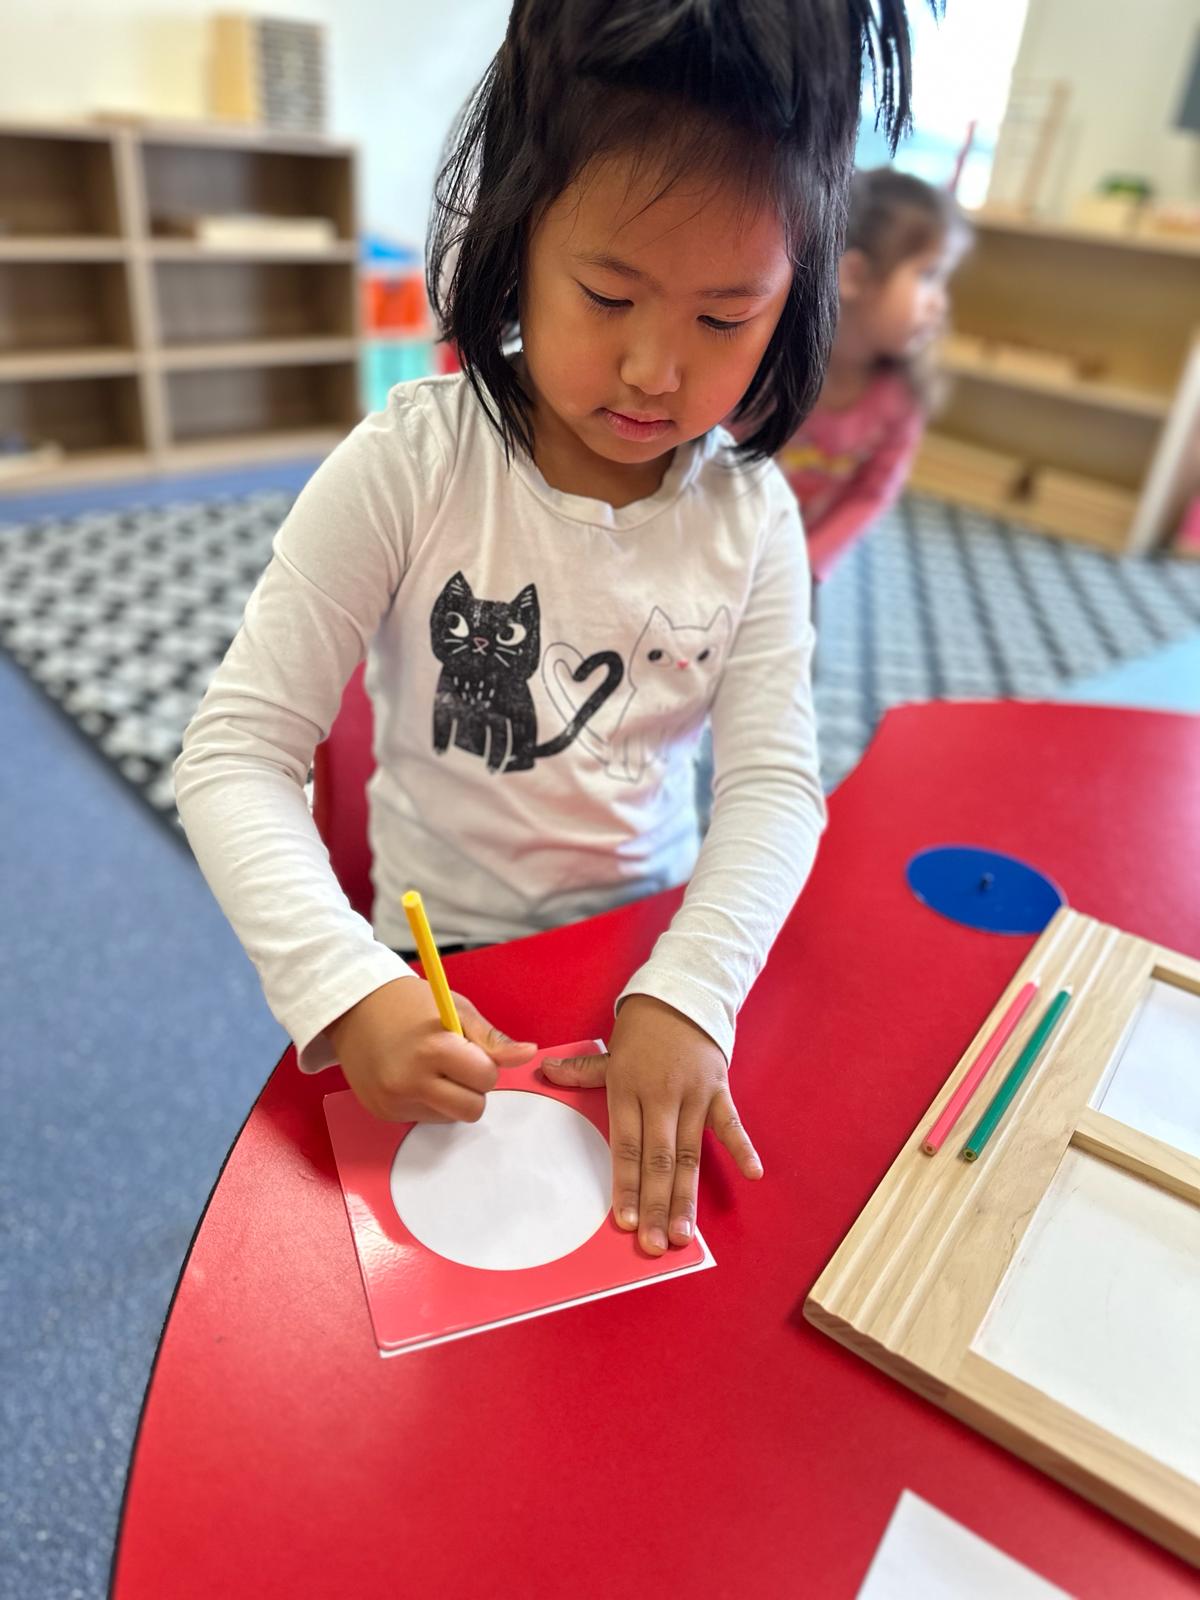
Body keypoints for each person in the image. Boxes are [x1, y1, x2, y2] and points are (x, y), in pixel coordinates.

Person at [175, 0, 919, 1259]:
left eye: (724, 318)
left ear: (794, 299)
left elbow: (778, 784)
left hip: (659, 947)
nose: (652, 372)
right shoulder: (412, 466)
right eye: (609, 293)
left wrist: (691, 986)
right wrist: (352, 985)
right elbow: (234, 753)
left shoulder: (753, 522)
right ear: (519, 238)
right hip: (440, 968)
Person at [779, 167, 971, 582]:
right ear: (855, 276)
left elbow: (871, 495)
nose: (941, 304)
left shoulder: (901, 398)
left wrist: (808, 565)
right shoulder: (775, 370)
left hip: (800, 569)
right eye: (928, 276)